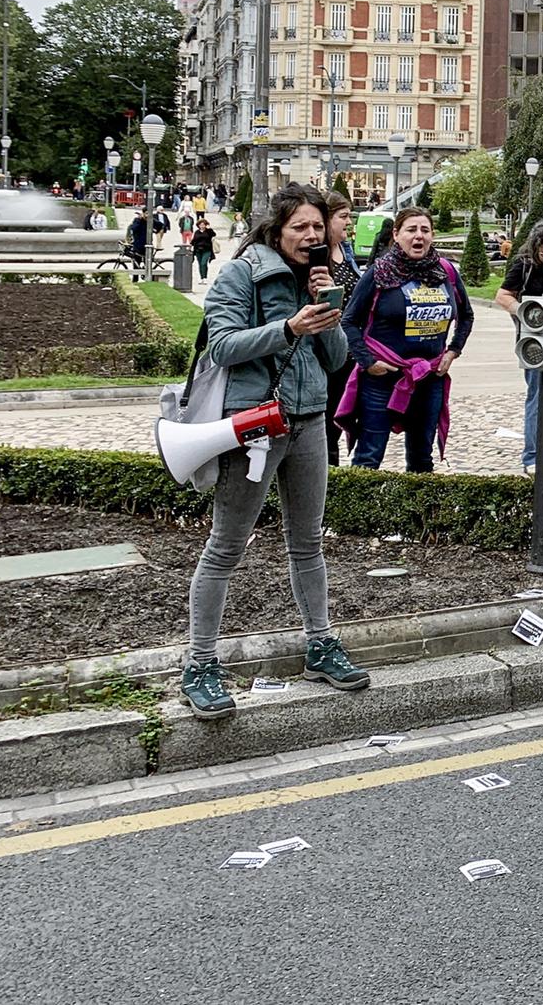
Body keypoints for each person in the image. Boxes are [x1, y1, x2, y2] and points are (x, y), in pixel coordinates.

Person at [181, 184, 365, 719]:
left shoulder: (321, 280)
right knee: (225, 547)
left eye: (317, 227)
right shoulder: (243, 273)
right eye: (300, 228)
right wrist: (287, 327)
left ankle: (320, 644)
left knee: (308, 541)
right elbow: (222, 346)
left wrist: (324, 307)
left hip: (308, 422)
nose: (311, 236)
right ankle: (200, 663)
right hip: (256, 425)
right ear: (276, 229)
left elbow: (335, 359)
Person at [338, 207, 472, 472]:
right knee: (368, 458)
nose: (418, 236)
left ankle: (417, 514)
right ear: (397, 235)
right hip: (381, 381)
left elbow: (466, 316)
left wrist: (453, 351)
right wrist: (367, 362)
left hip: (428, 379)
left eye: (425, 230)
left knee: (422, 459)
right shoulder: (378, 273)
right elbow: (349, 321)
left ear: (432, 235)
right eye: (411, 230)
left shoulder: (446, 272)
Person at [494, 220, 543, 473]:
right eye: (542, 248)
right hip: (534, 340)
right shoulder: (525, 265)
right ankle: (532, 455)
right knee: (537, 396)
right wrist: (526, 314)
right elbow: (503, 295)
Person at [320, 192, 364, 463]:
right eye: (343, 216)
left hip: (350, 351)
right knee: (325, 422)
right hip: (327, 352)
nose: (349, 222)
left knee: (339, 417)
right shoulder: (318, 254)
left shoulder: (345, 249)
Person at [190, 216, 216, 280]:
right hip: (198, 250)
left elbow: (213, 234)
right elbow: (194, 240)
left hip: (207, 250)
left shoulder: (208, 231)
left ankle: (205, 277)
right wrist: (190, 245)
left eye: (203, 225)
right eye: (200, 225)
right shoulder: (197, 232)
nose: (202, 226)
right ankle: (201, 277)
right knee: (200, 264)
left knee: (203, 263)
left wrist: (209, 229)